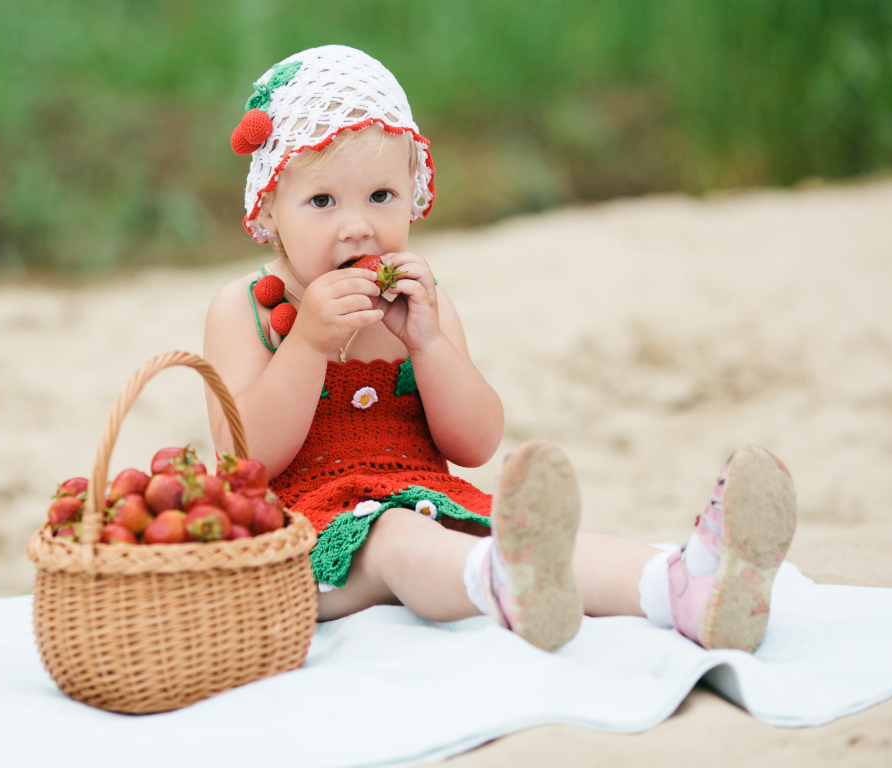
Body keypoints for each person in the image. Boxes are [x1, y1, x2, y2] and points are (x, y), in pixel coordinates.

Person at [203, 45, 797, 653]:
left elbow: (475, 441)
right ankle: (502, 583)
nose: (357, 226)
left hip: (429, 501)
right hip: (307, 539)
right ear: (270, 208)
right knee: (391, 536)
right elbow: (244, 461)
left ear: (413, 194)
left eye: (381, 196)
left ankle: (677, 585)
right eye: (323, 202)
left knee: (528, 535)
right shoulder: (246, 308)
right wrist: (307, 344)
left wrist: (429, 344)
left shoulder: (419, 302)